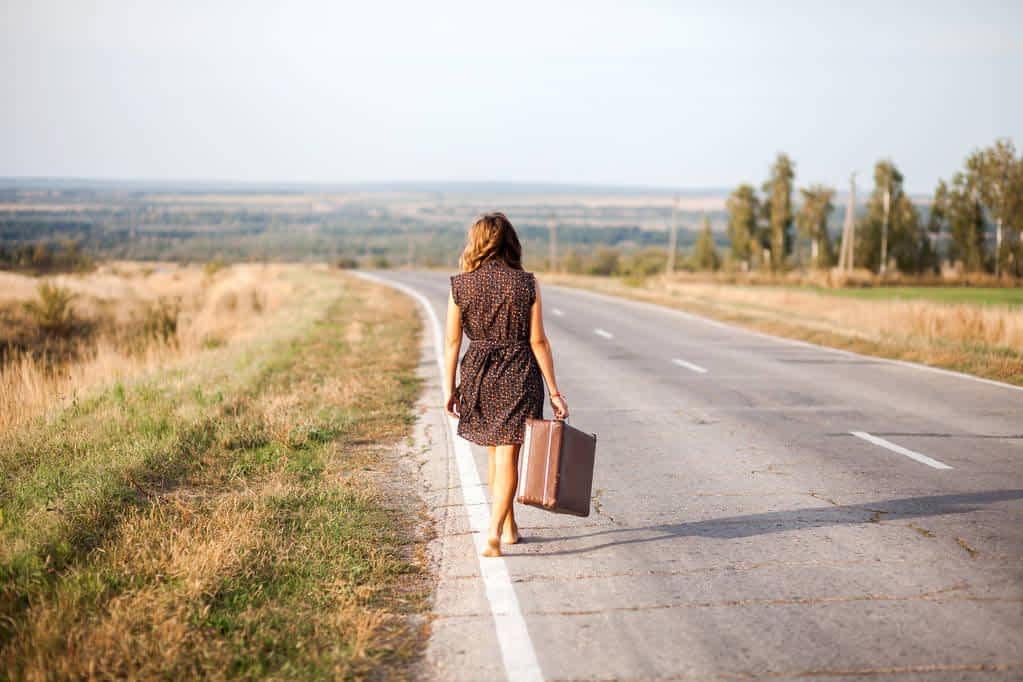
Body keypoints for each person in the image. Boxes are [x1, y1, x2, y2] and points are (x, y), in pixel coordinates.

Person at [444, 212, 569, 558]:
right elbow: (539, 342)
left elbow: (452, 343)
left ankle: (506, 528)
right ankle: (497, 532)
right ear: (510, 243)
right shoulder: (527, 283)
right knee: (508, 455)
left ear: (477, 243)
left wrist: (450, 388)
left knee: (495, 453)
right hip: (519, 372)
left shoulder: (460, 284)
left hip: (478, 373)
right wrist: (555, 391)